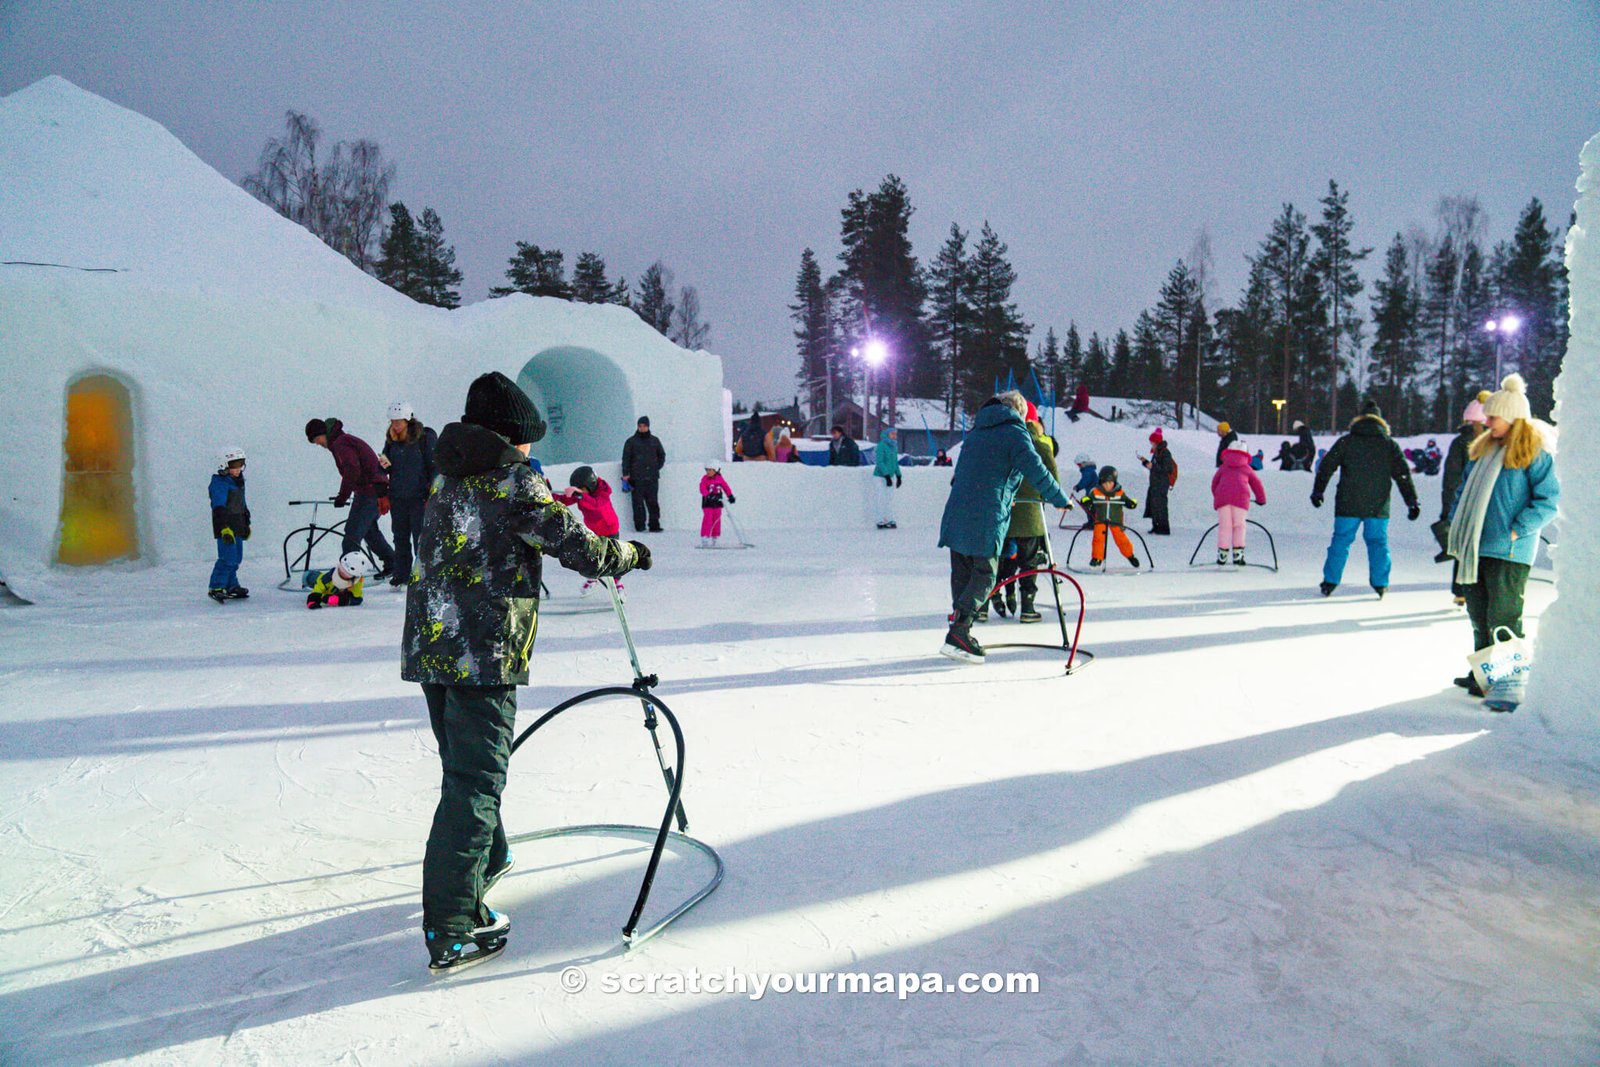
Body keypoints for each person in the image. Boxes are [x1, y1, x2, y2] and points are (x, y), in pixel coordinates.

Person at [401, 371, 649, 971]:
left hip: (432, 645)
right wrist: (630, 555)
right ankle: (452, 926)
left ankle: (488, 859)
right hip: (483, 654)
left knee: (465, 770)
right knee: (474, 782)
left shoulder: (445, 475)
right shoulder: (514, 479)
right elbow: (578, 545)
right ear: (512, 437)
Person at [1445, 374, 1559, 708]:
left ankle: (1507, 687)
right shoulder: (1483, 451)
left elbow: (1548, 501)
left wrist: (1517, 528)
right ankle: (1484, 676)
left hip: (1509, 550)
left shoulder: (1534, 454)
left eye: (1493, 417)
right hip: (1475, 547)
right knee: (1479, 614)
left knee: (1503, 618)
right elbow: (1462, 491)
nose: (1486, 422)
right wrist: (1456, 520)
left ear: (1510, 418)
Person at [937, 392, 1073, 663]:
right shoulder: (1014, 432)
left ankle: (959, 632)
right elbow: (1036, 470)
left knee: (963, 572)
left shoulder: (976, 433)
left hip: (957, 511)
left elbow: (962, 473)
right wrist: (1060, 499)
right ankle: (960, 633)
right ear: (1020, 413)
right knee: (986, 573)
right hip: (986, 514)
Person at [1310, 399, 1421, 598]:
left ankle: (1330, 582)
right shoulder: (1388, 444)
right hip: (1378, 506)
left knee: (1341, 541)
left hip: (1347, 503)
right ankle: (1380, 583)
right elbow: (1402, 474)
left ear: (1359, 420)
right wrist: (1411, 501)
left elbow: (1327, 466)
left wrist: (1318, 491)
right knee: (1378, 543)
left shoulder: (1347, 441)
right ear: (1380, 422)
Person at [989, 407, 1059, 624]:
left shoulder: (1003, 443)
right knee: (1029, 562)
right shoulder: (1039, 444)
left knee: (1000, 558)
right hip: (1030, 515)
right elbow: (1051, 479)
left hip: (1005, 512)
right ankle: (1027, 607)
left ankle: (988, 601)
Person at [306, 416, 395, 580]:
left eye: (316, 439)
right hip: (373, 491)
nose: (318, 444)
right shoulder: (341, 441)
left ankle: (347, 577)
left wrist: (342, 496)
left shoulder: (341, 443)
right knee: (370, 532)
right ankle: (393, 564)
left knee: (351, 537)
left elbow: (352, 470)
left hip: (370, 493)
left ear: (323, 433)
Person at [380, 401, 438, 586]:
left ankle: (422, 575)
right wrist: (381, 474)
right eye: (393, 421)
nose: (395, 425)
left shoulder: (424, 438)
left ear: (408, 420)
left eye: (398, 422)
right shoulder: (391, 441)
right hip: (398, 497)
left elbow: (433, 466)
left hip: (419, 497)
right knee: (400, 536)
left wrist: (432, 493)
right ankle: (401, 574)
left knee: (420, 536)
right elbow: (384, 464)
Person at [1434, 391, 1491, 570]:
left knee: (1463, 547)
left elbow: (1451, 480)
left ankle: (1461, 590)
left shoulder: (1460, 443)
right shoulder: (1497, 442)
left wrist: (1447, 512)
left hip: (1466, 504)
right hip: (1490, 505)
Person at [553, 465, 622, 595]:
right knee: (589, 556)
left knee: (611, 559)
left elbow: (597, 506)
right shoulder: (583, 494)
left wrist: (580, 495)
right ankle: (592, 578)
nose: (580, 492)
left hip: (609, 530)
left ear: (591, 485)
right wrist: (550, 496)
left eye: (582, 489)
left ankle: (617, 584)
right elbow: (565, 500)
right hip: (593, 531)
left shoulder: (603, 494)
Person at [1211, 441, 1267, 565]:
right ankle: (1238, 554)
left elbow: (1214, 483)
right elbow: (1257, 485)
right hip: (1240, 499)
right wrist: (1261, 499)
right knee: (1239, 526)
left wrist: (1217, 496)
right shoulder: (1247, 468)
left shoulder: (1223, 467)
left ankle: (1222, 555)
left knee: (1224, 527)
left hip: (1223, 499)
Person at [207, 446, 251, 603]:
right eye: (234, 465)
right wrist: (224, 527)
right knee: (227, 558)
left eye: (240, 464)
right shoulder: (220, 483)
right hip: (226, 526)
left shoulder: (238, 482)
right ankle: (216, 586)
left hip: (238, 524)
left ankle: (232, 584)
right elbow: (218, 507)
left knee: (236, 558)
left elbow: (242, 504)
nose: (238, 469)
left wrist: (246, 522)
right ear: (223, 465)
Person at [1081, 467, 1141, 569]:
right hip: (1101, 519)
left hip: (1115, 520)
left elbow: (1127, 501)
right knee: (1098, 538)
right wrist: (1086, 501)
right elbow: (1087, 498)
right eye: (1105, 483)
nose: (1107, 485)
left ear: (1114, 482)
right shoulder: (1096, 492)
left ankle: (1130, 555)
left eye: (1110, 483)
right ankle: (1097, 558)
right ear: (1101, 482)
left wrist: (1131, 503)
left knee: (1121, 539)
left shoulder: (1119, 493)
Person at [621, 415, 666, 532]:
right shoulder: (631, 442)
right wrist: (626, 473)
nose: (642, 428)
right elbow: (626, 458)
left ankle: (654, 525)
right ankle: (640, 526)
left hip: (652, 477)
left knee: (653, 502)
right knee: (638, 503)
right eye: (640, 426)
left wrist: (656, 467)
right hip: (636, 478)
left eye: (644, 426)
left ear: (648, 426)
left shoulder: (654, 441)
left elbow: (662, 455)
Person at [1137, 428, 1175, 535]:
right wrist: (1145, 462)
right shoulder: (1157, 452)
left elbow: (1166, 469)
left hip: (1161, 484)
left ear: (1156, 442)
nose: (1151, 444)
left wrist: (1152, 466)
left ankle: (1163, 528)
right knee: (1153, 505)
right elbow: (1155, 466)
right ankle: (1156, 526)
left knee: (1161, 506)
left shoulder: (1165, 453)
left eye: (1152, 442)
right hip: (1155, 483)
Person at [304, 551, 372, 608]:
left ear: (355, 577)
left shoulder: (356, 582)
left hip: (331, 591)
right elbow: (317, 591)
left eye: (346, 574)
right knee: (309, 578)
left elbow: (357, 599)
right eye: (341, 569)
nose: (342, 573)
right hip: (314, 578)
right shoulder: (325, 579)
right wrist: (312, 602)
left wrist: (339, 600)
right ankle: (309, 575)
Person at [698, 463, 737, 547]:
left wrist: (730, 496)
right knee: (708, 519)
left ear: (716, 470)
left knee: (717, 520)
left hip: (718, 503)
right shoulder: (705, 479)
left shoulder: (719, 478)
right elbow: (702, 488)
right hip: (708, 503)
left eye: (710, 470)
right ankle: (705, 537)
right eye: (706, 470)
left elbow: (725, 487)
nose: (708, 472)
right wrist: (708, 494)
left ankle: (715, 537)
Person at [873, 428, 902, 530]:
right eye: (892, 434)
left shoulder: (894, 446)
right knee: (880, 497)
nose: (894, 436)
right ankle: (879, 519)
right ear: (887, 435)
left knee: (889, 498)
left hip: (890, 476)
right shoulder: (881, 446)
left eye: (895, 434)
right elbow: (880, 462)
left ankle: (889, 519)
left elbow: (895, 462)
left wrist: (898, 476)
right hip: (880, 476)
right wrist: (886, 476)